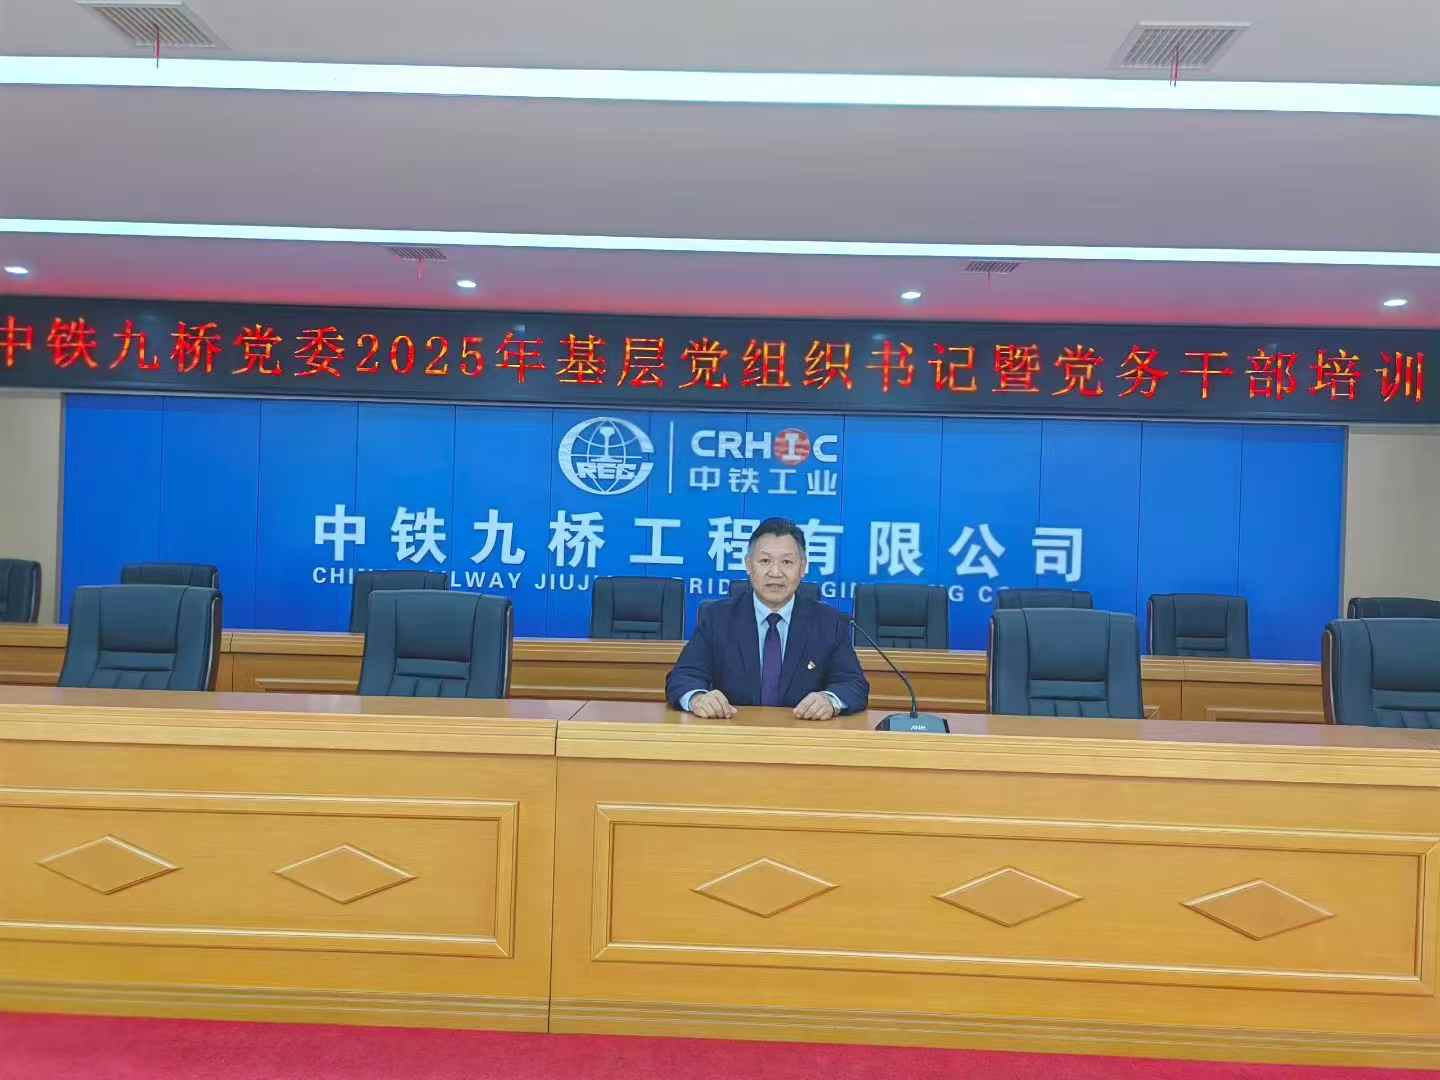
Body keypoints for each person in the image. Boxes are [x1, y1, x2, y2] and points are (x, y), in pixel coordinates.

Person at [665, 517, 869, 720]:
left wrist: (829, 700)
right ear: (748, 565)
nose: (775, 572)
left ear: (803, 567)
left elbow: (854, 684)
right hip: (733, 734)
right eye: (765, 561)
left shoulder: (829, 623)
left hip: (804, 736)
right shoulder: (717, 618)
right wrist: (698, 698)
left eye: (787, 562)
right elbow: (682, 677)